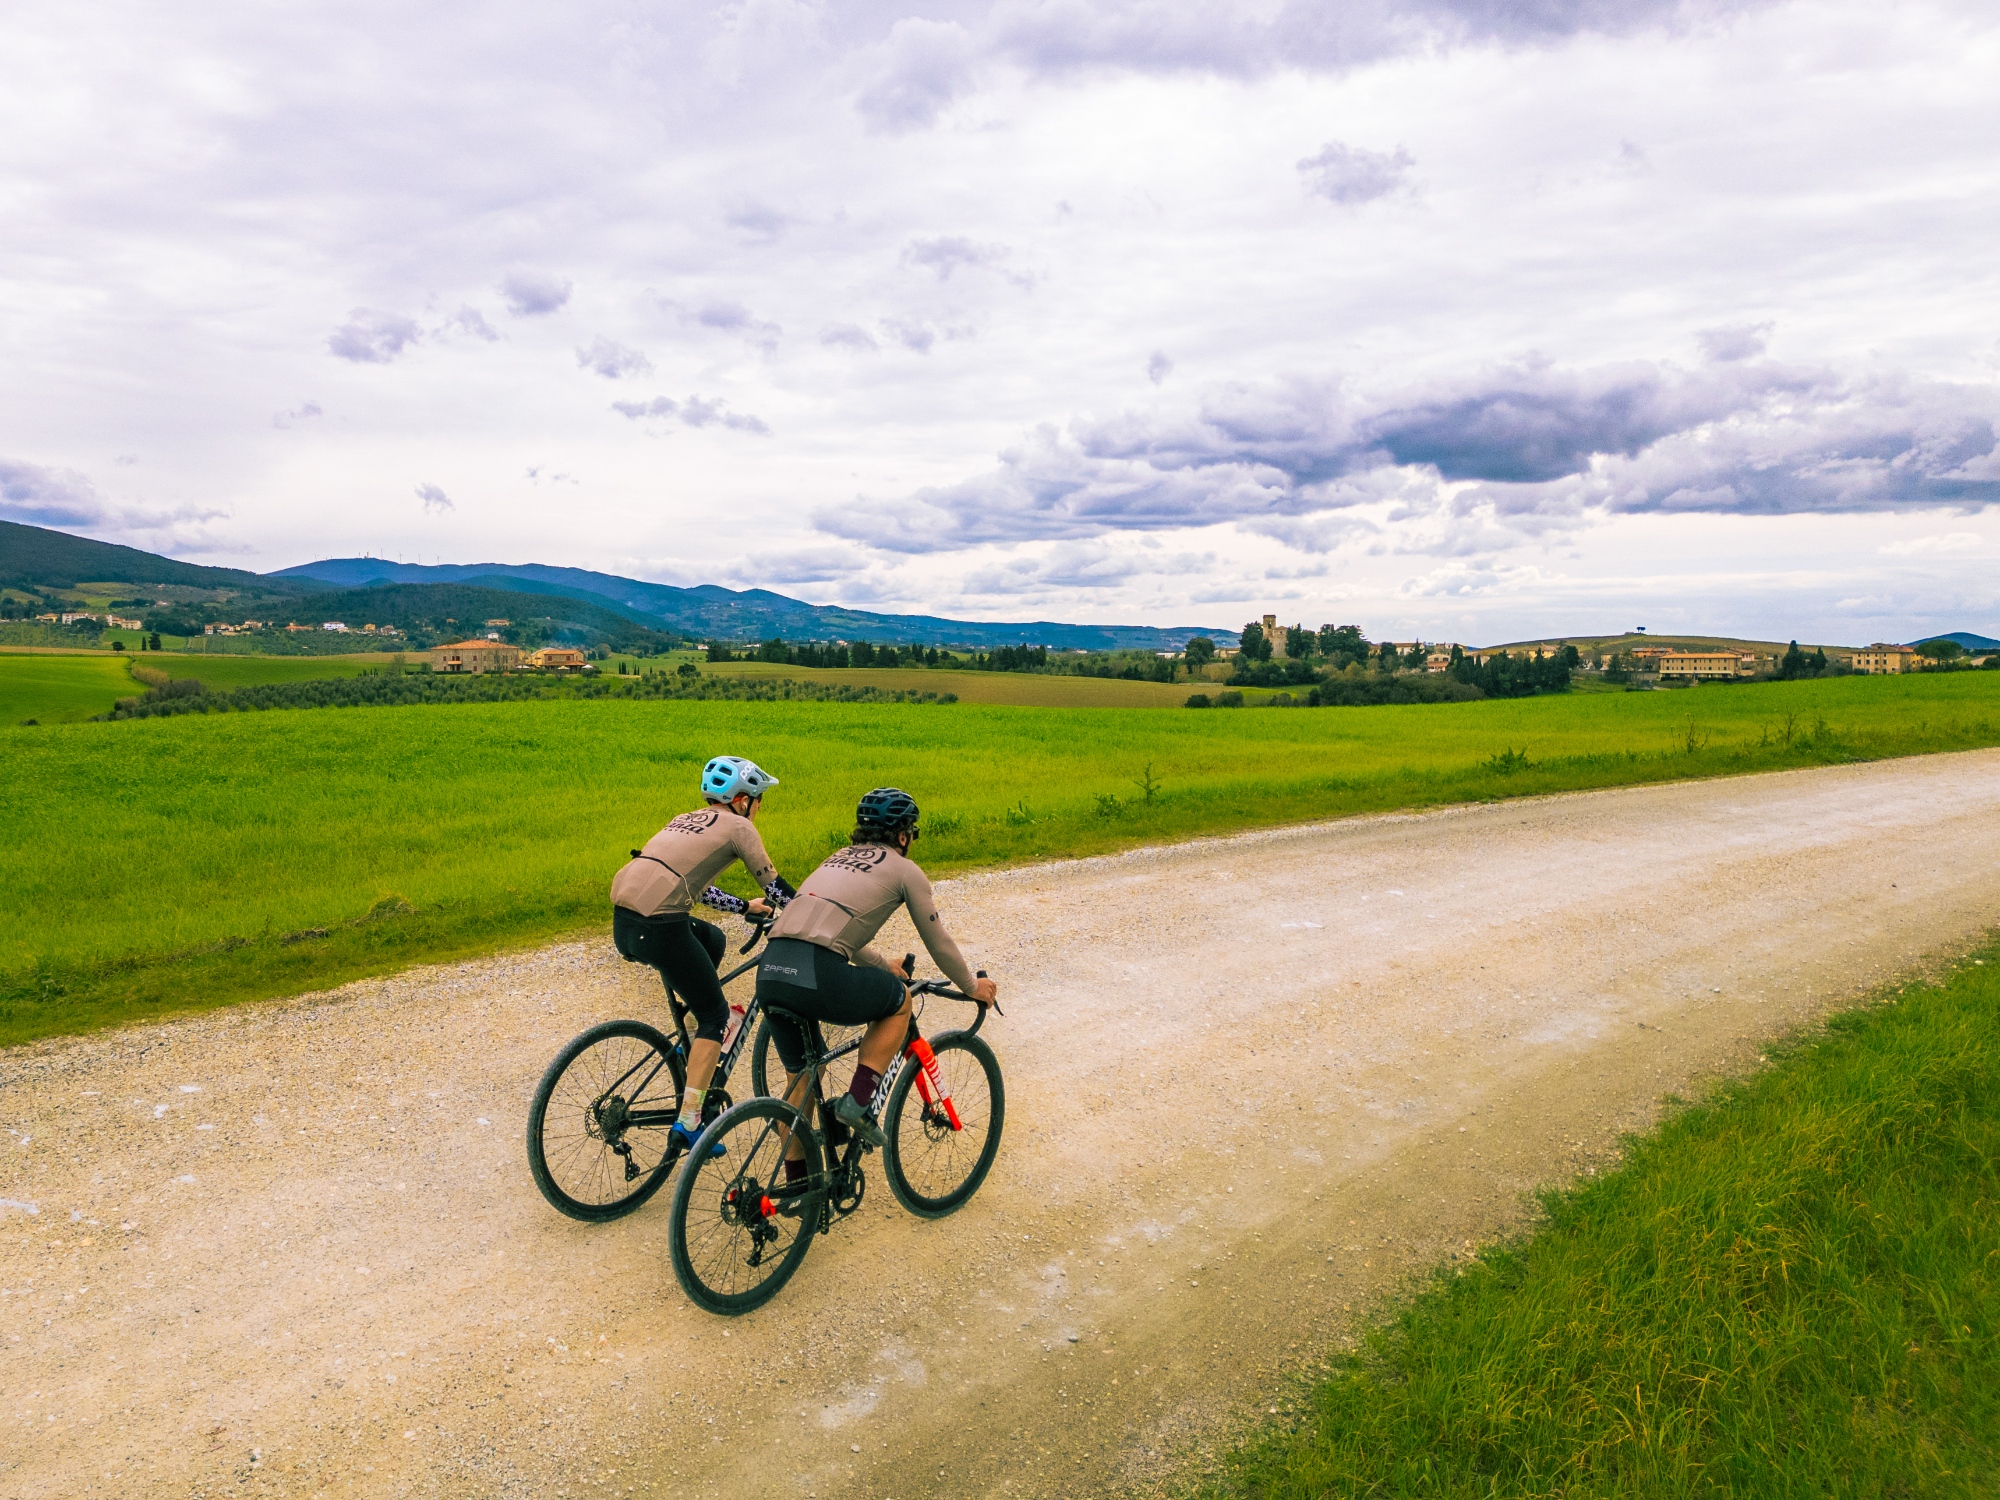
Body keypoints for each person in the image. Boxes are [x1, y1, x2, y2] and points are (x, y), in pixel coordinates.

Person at [755, 787, 998, 1154]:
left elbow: (828, 932)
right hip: (817, 973)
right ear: (902, 834)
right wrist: (970, 986)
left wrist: (884, 965)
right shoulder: (904, 870)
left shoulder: (835, 859)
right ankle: (859, 1103)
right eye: (911, 833)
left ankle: (795, 1190)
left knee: (800, 1084)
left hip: (771, 968)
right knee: (898, 1000)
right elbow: (939, 941)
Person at [610, 755, 794, 1156]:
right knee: (716, 1016)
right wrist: (813, 915)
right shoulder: (740, 827)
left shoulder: (685, 819)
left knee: (711, 941)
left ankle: (691, 1045)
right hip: (660, 926)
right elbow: (776, 888)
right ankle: (690, 1123)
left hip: (626, 921)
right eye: (760, 798)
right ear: (743, 800)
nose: (760, 807)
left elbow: (698, 889)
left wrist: (745, 909)